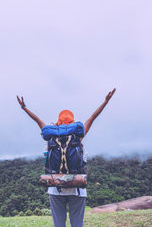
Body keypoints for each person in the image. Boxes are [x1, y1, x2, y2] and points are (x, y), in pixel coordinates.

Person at [17, 88, 116, 227]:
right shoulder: (78, 136)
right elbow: (93, 117)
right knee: (77, 225)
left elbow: (38, 120)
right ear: (72, 122)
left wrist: (24, 107)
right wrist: (106, 101)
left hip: (55, 187)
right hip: (78, 188)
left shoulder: (50, 136)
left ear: (58, 123)